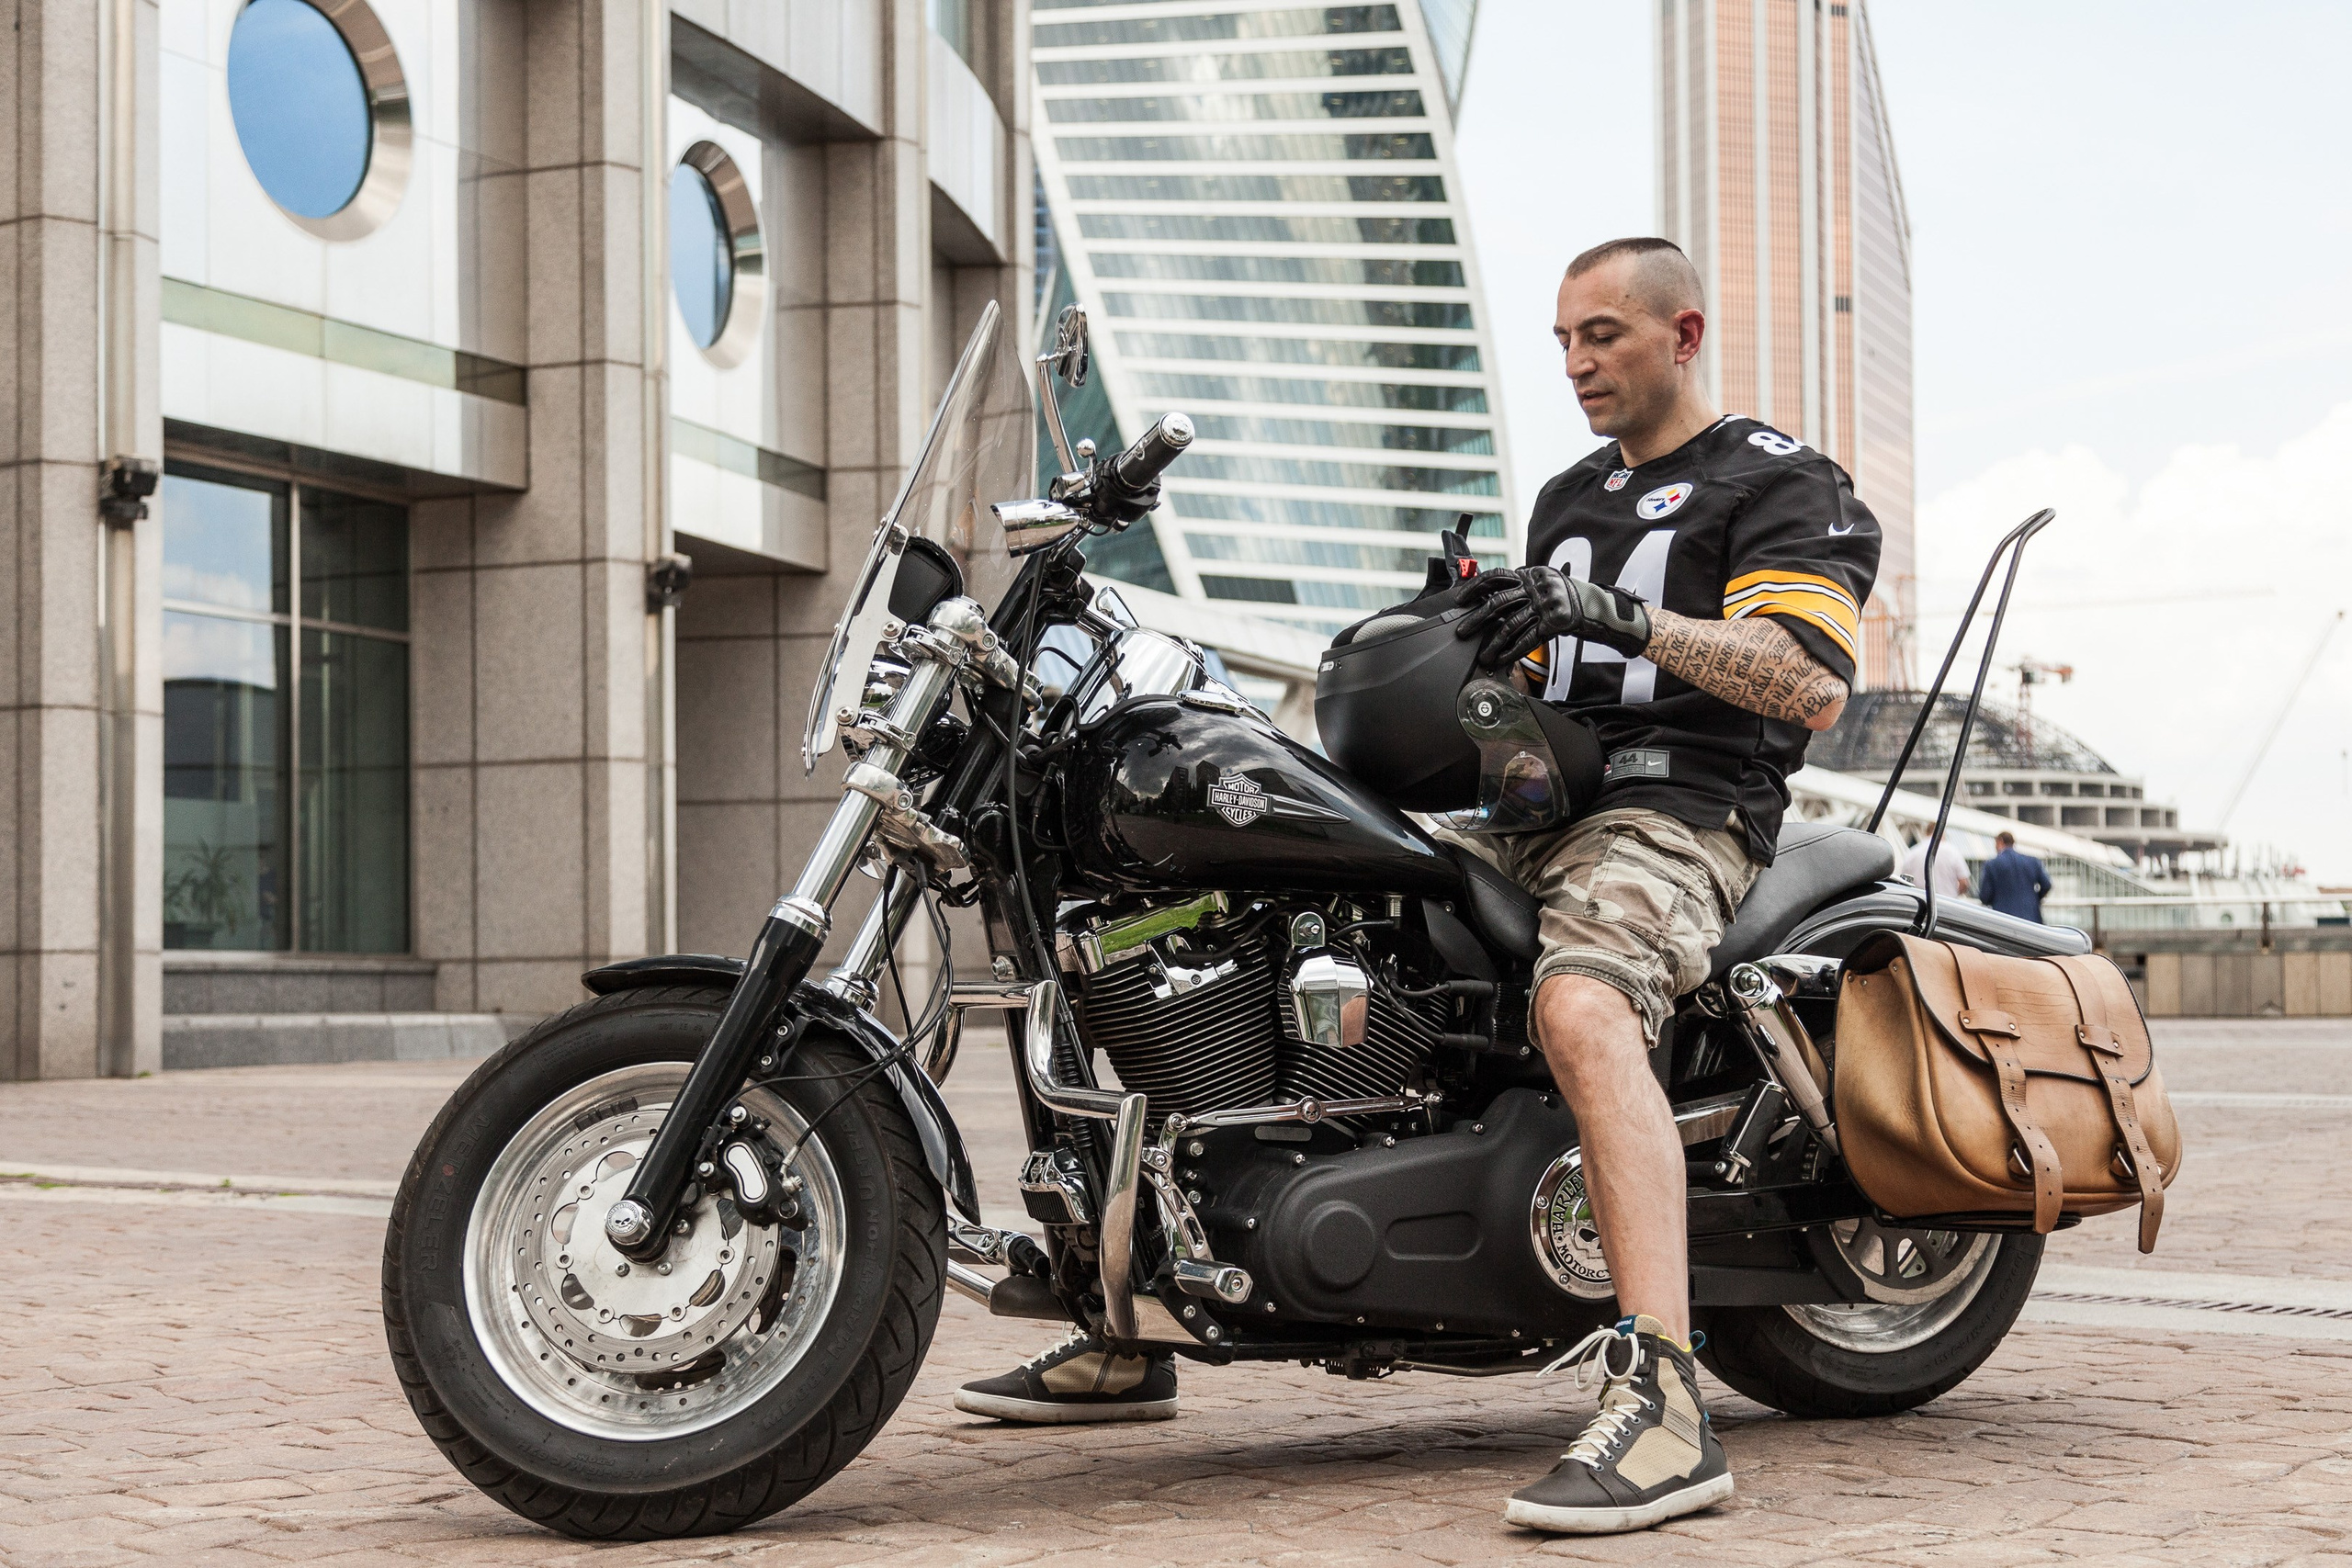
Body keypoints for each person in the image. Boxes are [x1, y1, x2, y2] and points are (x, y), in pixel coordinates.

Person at [956, 238, 1881, 1538]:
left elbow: (1808, 682)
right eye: (1563, 338)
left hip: (1678, 808)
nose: (1576, 363)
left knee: (1580, 1003)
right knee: (1244, 917)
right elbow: (1537, 687)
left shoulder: (1775, 478)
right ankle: (1138, 1303)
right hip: (1528, 809)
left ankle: (1668, 1393)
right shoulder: (1570, 494)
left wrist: (1621, 621)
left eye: (1604, 335)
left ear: (1684, 334)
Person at [1978, 830, 2052, 921]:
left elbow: (1985, 896)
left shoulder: (1992, 864)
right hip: (2031, 918)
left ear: (2000, 841)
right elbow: (2047, 884)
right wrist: (2034, 899)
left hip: (2004, 919)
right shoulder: (2033, 861)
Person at [1902, 834, 1972, 900]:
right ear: (1943, 833)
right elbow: (1964, 883)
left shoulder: (1913, 852)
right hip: (1947, 902)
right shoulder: (1953, 852)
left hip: (1921, 902)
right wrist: (1955, 894)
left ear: (1926, 833)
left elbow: (1904, 880)